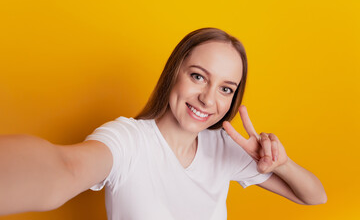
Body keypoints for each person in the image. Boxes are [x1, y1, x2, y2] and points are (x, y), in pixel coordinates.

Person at [0, 28, 327, 219]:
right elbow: (65, 167)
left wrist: (280, 164)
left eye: (225, 89)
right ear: (175, 72)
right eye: (198, 77)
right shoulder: (128, 140)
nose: (208, 99)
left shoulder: (224, 147)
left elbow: (314, 197)